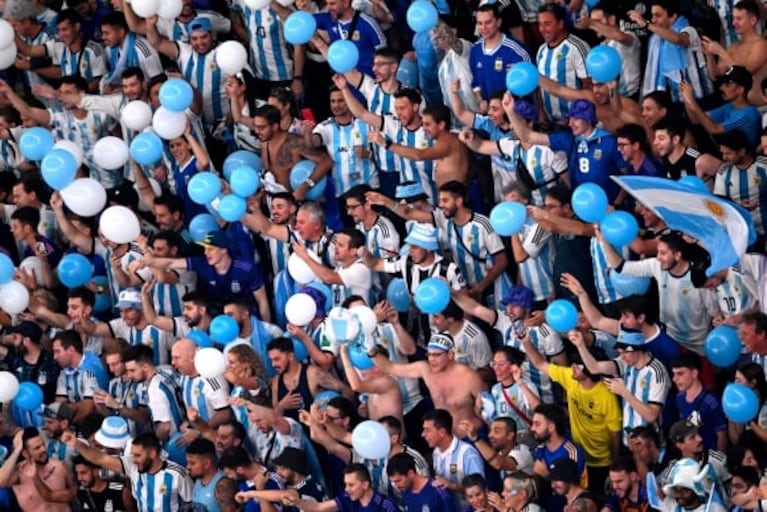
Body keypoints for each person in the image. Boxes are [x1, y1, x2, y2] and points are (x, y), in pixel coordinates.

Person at [522, 333, 622, 492]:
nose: (573, 367)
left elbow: (615, 434)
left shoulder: (606, 396)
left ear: (590, 371)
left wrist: (615, 465)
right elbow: (540, 363)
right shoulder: (570, 377)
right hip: (577, 454)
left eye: (579, 366)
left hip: (601, 461)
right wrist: (526, 342)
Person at [140, 229, 271, 321]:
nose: (206, 253)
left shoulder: (246, 268)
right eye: (204, 248)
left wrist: (266, 327)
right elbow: (171, 262)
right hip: (218, 314)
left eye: (211, 249)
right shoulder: (202, 263)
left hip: (246, 314)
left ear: (224, 249)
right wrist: (147, 258)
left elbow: (262, 301)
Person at [369, 333, 486, 433]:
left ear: (450, 355)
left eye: (436, 355)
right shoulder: (425, 369)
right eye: (429, 354)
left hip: (470, 436)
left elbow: (488, 410)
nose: (431, 359)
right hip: (444, 439)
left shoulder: (470, 378)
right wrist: (370, 349)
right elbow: (389, 368)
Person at [63, 430, 194, 511]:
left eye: (138, 455)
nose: (133, 459)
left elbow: (191, 507)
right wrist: (76, 443)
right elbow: (99, 459)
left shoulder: (178, 474)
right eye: (132, 454)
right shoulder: (132, 467)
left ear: (153, 454)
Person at [535, 3, 591, 125]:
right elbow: (540, 85)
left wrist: (575, 115)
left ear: (560, 24)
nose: (542, 29)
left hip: (575, 123)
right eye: (540, 24)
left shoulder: (577, 47)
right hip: (550, 123)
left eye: (547, 24)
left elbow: (589, 86)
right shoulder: (541, 50)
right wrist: (541, 112)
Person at [681, 65, 761, 147]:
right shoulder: (730, 106)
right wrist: (686, 97)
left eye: (727, 85)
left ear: (740, 89)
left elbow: (714, 129)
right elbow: (695, 119)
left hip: (745, 157)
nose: (721, 88)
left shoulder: (748, 113)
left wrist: (691, 100)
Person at [470, 3, 531, 111]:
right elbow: (475, 82)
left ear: (498, 22)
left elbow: (532, 83)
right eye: (480, 23)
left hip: (516, 115)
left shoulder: (516, 50)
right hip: (491, 116)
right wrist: (480, 100)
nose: (483, 28)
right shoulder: (475, 50)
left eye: (488, 22)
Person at [0, 428, 77, 512]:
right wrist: (17, 451)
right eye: (37, 448)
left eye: (43, 444)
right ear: (25, 453)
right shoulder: (18, 474)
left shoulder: (60, 466)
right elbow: (1, 482)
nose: (43, 449)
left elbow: (74, 495)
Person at [421, 409, 485, 504]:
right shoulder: (436, 453)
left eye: (428, 431)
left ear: (442, 432)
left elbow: (479, 487)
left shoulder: (467, 453)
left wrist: (451, 485)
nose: (423, 434)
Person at [123, 344, 186, 442]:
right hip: (185, 430)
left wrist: (156, 445)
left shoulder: (154, 389)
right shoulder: (167, 369)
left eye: (132, 370)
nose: (129, 375)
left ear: (145, 367)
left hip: (175, 442)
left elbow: (165, 427)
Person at [670, 352, 728, 452]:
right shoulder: (679, 397)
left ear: (694, 373)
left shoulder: (711, 401)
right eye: (674, 374)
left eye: (680, 373)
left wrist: (718, 461)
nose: (675, 379)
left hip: (710, 455)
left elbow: (722, 435)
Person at [282, 463, 398, 512]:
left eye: (351, 485)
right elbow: (318, 508)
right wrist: (297, 502)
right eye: (346, 484)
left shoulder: (385, 505)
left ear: (365, 485)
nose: (346, 489)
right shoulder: (347, 498)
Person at [52, 329, 109, 423]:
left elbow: (88, 408)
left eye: (58, 352)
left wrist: (68, 425)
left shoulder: (90, 369)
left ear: (70, 350)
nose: (54, 357)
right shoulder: (65, 369)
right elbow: (59, 404)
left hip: (96, 422)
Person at [460, 416, 534, 478]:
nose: (490, 435)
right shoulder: (500, 453)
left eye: (496, 431)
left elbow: (499, 464)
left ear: (510, 435)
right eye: (490, 431)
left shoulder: (522, 451)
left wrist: (475, 438)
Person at [386, 452, 454, 512]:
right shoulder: (404, 490)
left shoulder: (438, 492)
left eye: (398, 480)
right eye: (393, 482)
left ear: (411, 473)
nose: (396, 485)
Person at [187, 438, 228, 512]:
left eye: (192, 463)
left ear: (207, 464)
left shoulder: (223, 484)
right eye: (188, 463)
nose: (188, 467)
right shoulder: (198, 481)